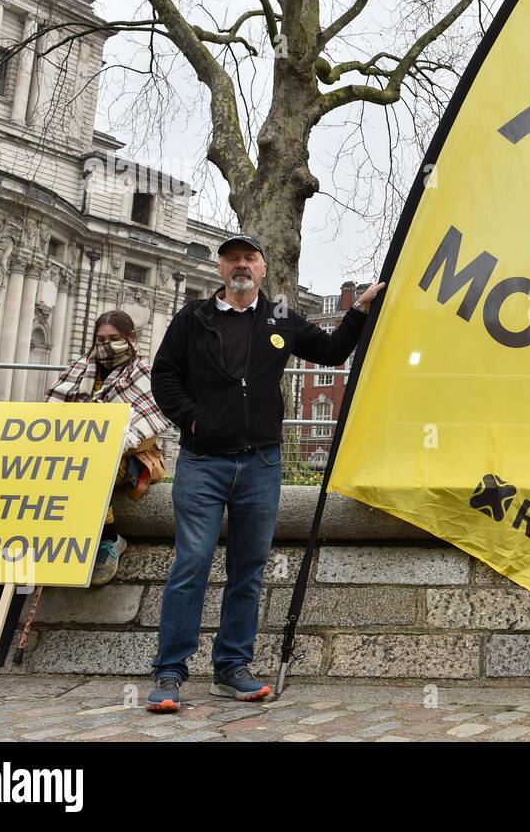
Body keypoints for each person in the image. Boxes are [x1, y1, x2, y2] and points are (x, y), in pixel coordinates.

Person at [146, 234, 384, 712]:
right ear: (220, 269)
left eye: (250, 258)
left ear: (263, 269)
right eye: (232, 258)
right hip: (203, 462)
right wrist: (193, 417)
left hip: (262, 462)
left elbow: (332, 351)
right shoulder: (193, 318)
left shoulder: (279, 316)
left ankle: (231, 667)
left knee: (248, 570)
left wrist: (358, 310)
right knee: (191, 565)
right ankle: (170, 670)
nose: (241, 265)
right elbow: (164, 374)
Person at [45, 310, 170, 585]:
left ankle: (109, 538)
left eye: (114, 338)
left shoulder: (146, 374)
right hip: (74, 448)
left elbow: (148, 429)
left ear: (131, 338)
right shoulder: (78, 369)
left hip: (131, 455)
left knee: (90, 470)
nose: (106, 344)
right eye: (100, 339)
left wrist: (104, 444)